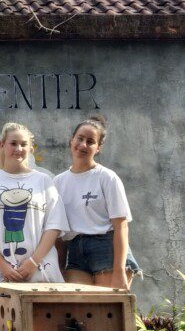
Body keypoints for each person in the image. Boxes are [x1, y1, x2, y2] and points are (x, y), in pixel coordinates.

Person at [0, 122, 68, 283]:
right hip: (0, 274)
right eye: (13, 143)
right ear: (2, 145)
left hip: (40, 272)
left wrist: (32, 263)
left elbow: (54, 226)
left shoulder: (44, 181)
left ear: (31, 148)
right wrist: (2, 265)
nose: (18, 149)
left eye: (24, 144)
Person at [54, 115, 140, 290]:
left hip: (106, 248)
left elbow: (121, 226)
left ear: (98, 148)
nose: (83, 145)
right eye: (80, 138)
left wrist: (119, 271)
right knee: (78, 311)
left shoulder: (107, 178)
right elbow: (58, 233)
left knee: (107, 310)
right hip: (76, 250)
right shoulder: (58, 182)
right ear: (72, 141)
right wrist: (59, 268)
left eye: (91, 141)